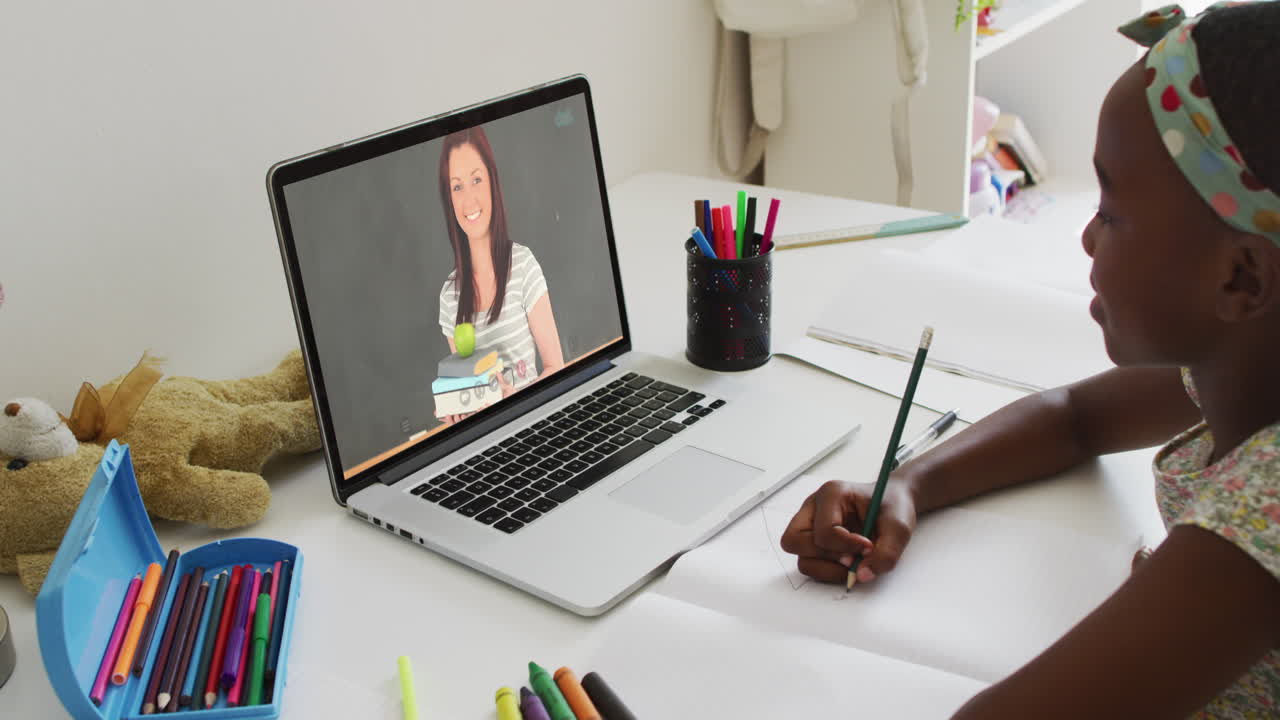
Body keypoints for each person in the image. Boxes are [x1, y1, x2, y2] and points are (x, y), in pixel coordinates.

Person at [780, 3, 1280, 717]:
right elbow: (1074, 417)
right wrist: (910, 485)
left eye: (1111, 211)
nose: (1085, 237)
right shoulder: (1248, 360)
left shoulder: (1260, 520)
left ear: (1242, 279)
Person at [436, 126, 565, 424]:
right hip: (483, 440)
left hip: (534, 423)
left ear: (492, 183)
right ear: (449, 199)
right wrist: (455, 409)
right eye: (457, 187)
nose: (468, 201)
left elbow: (556, 366)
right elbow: (462, 381)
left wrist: (514, 400)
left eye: (476, 180)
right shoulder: (449, 297)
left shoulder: (522, 265)